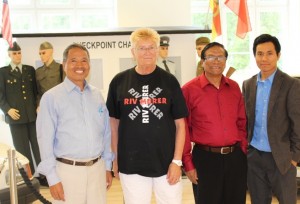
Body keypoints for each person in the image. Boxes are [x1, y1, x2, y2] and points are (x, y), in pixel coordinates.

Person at [106, 28, 188, 204]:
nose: (147, 52)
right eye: (141, 48)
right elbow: (113, 123)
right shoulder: (119, 81)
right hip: (131, 163)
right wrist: (115, 158)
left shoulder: (170, 81)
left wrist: (177, 161)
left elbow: (181, 124)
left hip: (166, 163)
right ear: (133, 52)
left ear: (158, 50)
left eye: (151, 47)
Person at [36, 43, 113, 204]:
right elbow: (45, 140)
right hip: (67, 172)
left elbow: (105, 133)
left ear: (89, 65)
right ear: (64, 65)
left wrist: (107, 166)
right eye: (73, 60)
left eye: (84, 60)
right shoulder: (51, 98)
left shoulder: (97, 95)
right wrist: (51, 177)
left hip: (97, 171)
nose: (79, 65)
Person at [182, 42, 247, 204]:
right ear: (202, 61)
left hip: (235, 158)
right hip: (205, 159)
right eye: (211, 57)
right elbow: (183, 129)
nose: (216, 61)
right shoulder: (189, 90)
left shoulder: (234, 87)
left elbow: (241, 122)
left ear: (225, 60)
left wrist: (243, 151)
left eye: (220, 57)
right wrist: (188, 164)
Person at [242, 34, 300, 204]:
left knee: (287, 201)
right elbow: (246, 121)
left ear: (278, 55)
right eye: (259, 54)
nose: (264, 58)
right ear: (254, 56)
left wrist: (294, 157)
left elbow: (298, 123)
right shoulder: (248, 84)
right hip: (254, 157)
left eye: (269, 53)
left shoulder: (291, 85)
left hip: (282, 158)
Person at [0, 42, 41, 175]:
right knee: (22, 149)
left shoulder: (29, 70)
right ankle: (29, 177)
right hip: (15, 117)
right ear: (9, 55)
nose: (17, 56)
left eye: (19, 53)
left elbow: (36, 92)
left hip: (31, 115)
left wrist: (38, 105)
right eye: (14, 53)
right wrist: (7, 110)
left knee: (38, 146)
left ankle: (43, 175)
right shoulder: (3, 72)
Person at [36, 41, 64, 106]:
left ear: (51, 51)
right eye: (40, 54)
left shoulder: (61, 68)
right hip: (44, 105)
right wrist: (38, 105)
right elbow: (37, 93)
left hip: (58, 104)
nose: (41, 56)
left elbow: (65, 90)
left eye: (43, 53)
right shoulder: (38, 71)